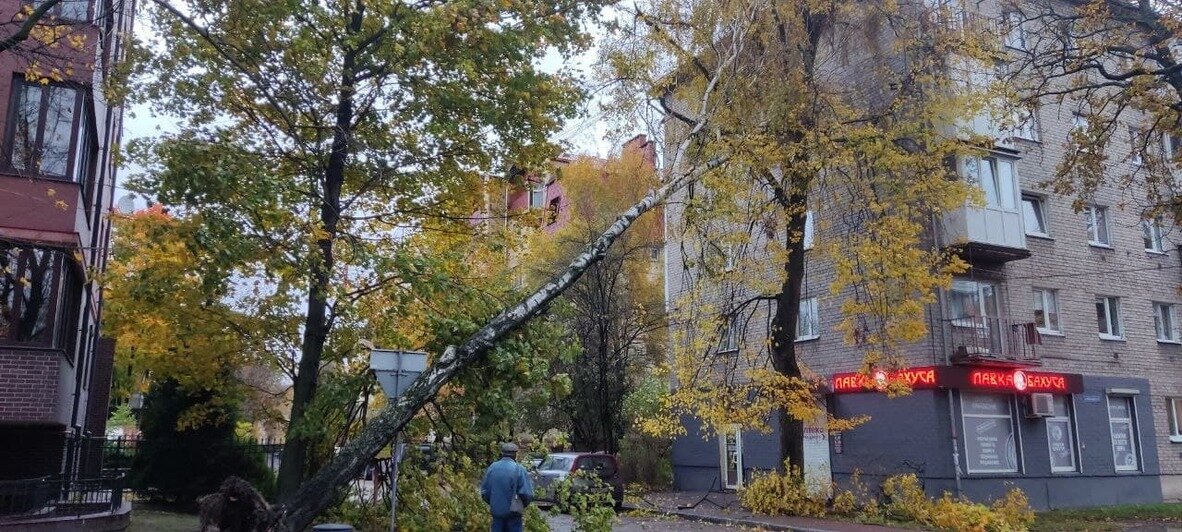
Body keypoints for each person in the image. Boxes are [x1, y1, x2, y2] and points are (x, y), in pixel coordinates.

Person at [480, 442, 534, 532]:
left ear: (502, 453)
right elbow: (527, 494)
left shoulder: (492, 468)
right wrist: (521, 505)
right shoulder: (519, 469)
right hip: (514, 514)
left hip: (497, 513)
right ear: (515, 455)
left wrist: (494, 503)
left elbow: (485, 492)